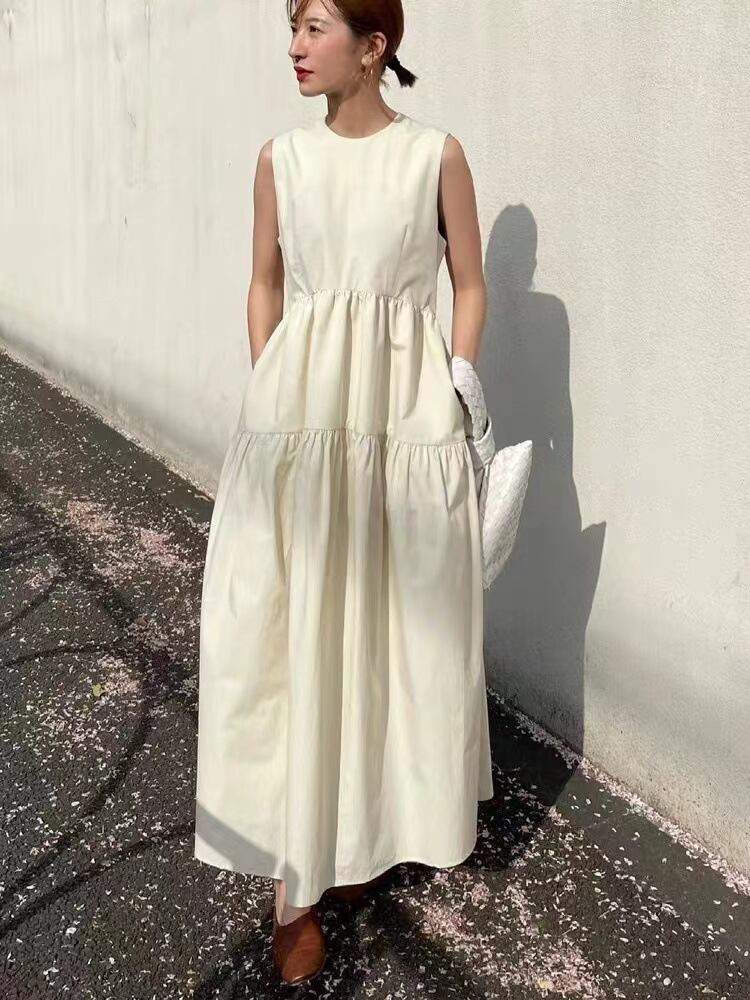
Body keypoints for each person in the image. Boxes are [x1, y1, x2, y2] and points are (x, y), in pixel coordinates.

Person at [193, 0, 492, 985]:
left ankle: (360, 833)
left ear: (374, 46)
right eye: (293, 26)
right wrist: (270, 385)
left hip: (403, 422)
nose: (294, 46)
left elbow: (469, 283)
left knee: (389, 631)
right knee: (289, 632)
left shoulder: (435, 155)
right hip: (300, 422)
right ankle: (294, 891)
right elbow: (264, 281)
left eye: (315, 26)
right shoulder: (280, 159)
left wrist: (458, 385)